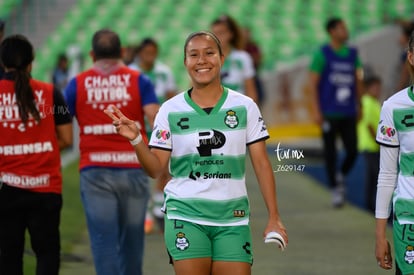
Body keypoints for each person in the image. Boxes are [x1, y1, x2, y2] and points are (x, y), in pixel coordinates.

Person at [105, 30, 287, 275]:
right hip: (185, 215)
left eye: (209, 53)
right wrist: (137, 139)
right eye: (194, 55)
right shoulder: (169, 110)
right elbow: (155, 169)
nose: (202, 60)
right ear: (185, 63)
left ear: (222, 58)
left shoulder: (245, 107)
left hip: (233, 218)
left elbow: (262, 164)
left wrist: (274, 216)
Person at [64, 29, 159, 275]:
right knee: (132, 241)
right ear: (123, 52)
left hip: (95, 169)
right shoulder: (140, 80)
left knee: (104, 241)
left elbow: (59, 121)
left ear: (92, 54)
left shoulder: (77, 83)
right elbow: (155, 118)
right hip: (133, 166)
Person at [0, 34, 73, 275]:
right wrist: (40, 147)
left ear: (3, 63)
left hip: (7, 189)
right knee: (47, 254)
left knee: (9, 256)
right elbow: (66, 139)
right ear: (31, 62)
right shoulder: (52, 93)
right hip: (46, 188)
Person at [308, 17, 364, 208]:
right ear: (332, 31)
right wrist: (316, 110)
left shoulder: (353, 54)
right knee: (330, 152)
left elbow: (358, 80)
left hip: (348, 111)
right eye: (341, 28)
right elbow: (313, 84)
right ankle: (335, 190)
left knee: (353, 150)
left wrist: (360, 105)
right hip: (329, 112)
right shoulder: (322, 54)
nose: (345, 30)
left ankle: (340, 174)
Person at [375, 29, 414, 275]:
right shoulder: (393, 107)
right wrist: (380, 235)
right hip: (408, 220)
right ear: (411, 57)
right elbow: (388, 174)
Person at [129, 37, 177, 233]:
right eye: (147, 52)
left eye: (153, 52)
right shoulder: (131, 73)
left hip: (160, 129)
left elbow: (172, 99)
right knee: (140, 171)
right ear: (140, 52)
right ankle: (147, 212)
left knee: (163, 169)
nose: (151, 56)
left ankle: (158, 207)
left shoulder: (164, 72)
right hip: (138, 130)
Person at [211, 15, 258, 103]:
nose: (217, 37)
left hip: (238, 107)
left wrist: (250, 110)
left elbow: (250, 88)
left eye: (221, 33)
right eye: (214, 34)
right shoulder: (207, 59)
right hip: (215, 110)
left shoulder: (243, 57)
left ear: (230, 34)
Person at [357, 75, 381, 213]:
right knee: (378, 176)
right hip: (370, 145)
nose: (378, 90)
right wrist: (379, 140)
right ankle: (374, 205)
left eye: (379, 88)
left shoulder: (374, 102)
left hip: (374, 145)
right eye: (375, 88)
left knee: (372, 176)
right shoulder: (366, 102)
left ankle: (370, 204)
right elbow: (368, 125)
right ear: (367, 88)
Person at [243, 27, 265, 107]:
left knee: (258, 96)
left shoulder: (253, 46)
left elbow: (259, 59)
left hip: (253, 75)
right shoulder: (238, 48)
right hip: (241, 76)